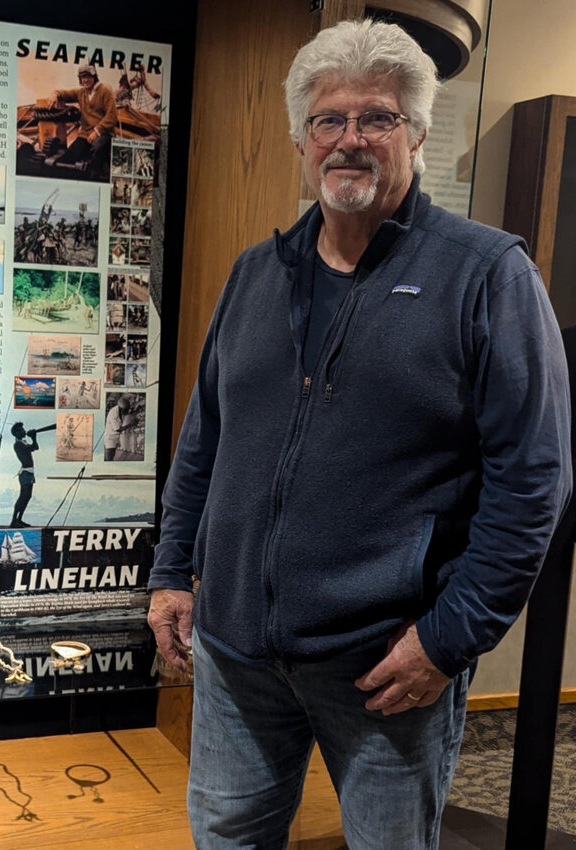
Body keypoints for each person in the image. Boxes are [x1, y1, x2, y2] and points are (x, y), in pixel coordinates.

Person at [147, 19, 572, 850]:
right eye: (327, 121)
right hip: (237, 658)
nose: (350, 140)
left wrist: (448, 641)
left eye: (375, 118)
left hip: (388, 669)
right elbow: (204, 445)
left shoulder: (488, 276)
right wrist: (171, 573)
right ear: (302, 142)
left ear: (415, 133)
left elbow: (536, 483)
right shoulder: (254, 274)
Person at [48, 64, 117, 180]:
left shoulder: (105, 91)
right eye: (83, 77)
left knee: (96, 151)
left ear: (95, 77)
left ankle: (95, 177)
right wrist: (55, 94)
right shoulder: (81, 93)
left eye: (88, 77)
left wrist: (97, 131)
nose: (85, 80)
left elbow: (112, 117)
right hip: (85, 134)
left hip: (104, 133)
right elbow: (63, 93)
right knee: (70, 155)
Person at [10, 422, 39, 528]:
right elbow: (32, 448)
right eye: (22, 430)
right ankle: (14, 520)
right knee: (23, 497)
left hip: (29, 472)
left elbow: (36, 447)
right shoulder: (18, 444)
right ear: (17, 433)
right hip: (25, 473)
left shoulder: (23, 442)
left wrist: (34, 438)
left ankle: (19, 519)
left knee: (27, 497)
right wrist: (33, 437)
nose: (24, 431)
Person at [103, 394, 130, 460]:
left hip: (115, 438)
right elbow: (117, 429)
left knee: (112, 455)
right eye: (126, 409)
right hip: (110, 438)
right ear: (121, 408)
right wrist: (130, 425)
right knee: (109, 458)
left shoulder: (120, 411)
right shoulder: (114, 413)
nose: (127, 411)